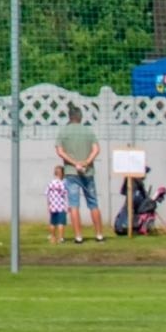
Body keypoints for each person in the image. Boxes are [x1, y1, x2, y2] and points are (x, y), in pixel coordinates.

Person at [54, 104, 104, 243]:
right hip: (88, 172)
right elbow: (96, 149)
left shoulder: (64, 132)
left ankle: (78, 236)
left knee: (74, 205)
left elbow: (59, 151)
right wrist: (86, 162)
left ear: (70, 117)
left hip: (71, 172)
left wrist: (74, 162)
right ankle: (99, 235)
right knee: (93, 204)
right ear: (80, 117)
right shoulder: (88, 131)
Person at [46, 164, 69, 244]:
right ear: (62, 174)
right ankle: (61, 238)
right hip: (61, 206)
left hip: (52, 206)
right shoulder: (63, 184)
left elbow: (47, 195)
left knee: (52, 223)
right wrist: (67, 206)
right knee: (61, 223)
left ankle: (52, 236)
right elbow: (65, 195)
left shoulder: (50, 183)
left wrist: (49, 205)